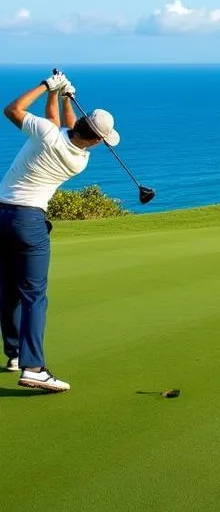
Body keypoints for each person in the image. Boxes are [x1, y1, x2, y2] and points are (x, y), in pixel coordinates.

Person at [0, 71, 121, 393]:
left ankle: (13, 355)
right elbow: (60, 125)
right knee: (33, 295)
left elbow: (13, 111)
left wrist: (48, 88)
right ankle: (34, 368)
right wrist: (62, 95)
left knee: (9, 291)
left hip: (1, 215)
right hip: (28, 223)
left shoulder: (48, 135)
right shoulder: (79, 159)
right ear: (96, 139)